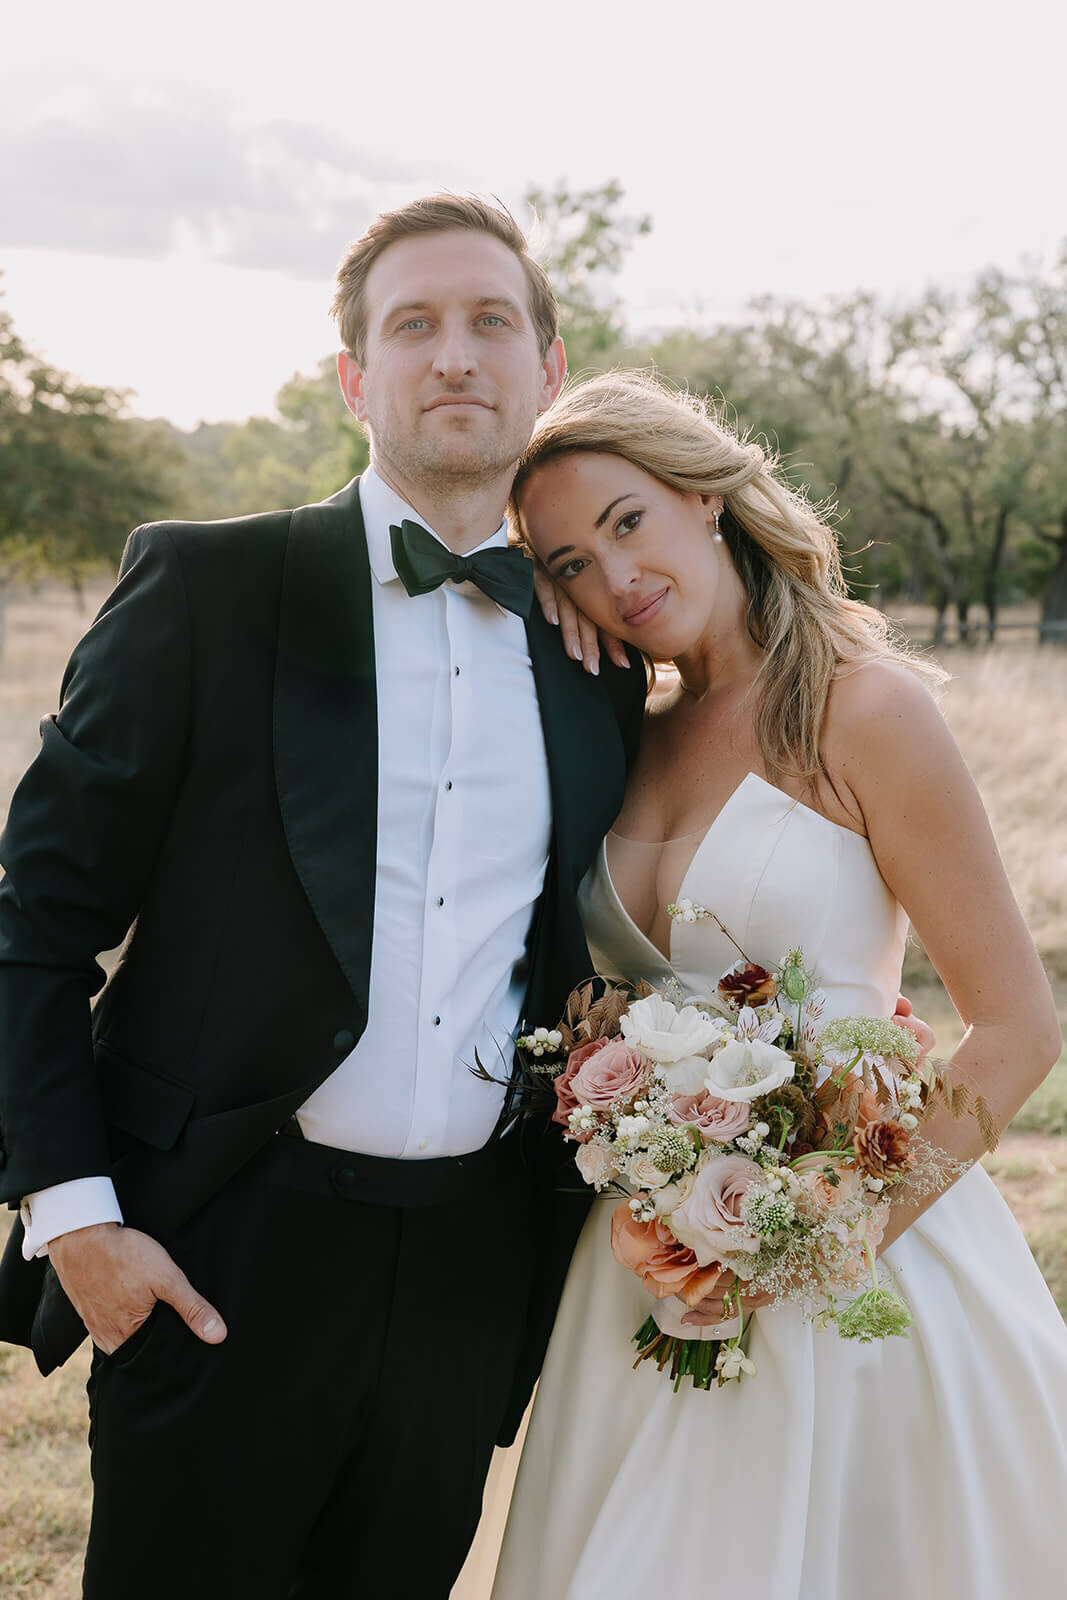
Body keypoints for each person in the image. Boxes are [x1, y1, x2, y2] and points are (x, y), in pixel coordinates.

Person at [0, 195, 650, 1600]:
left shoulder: (596, 657)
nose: (455, 356)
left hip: (473, 1270)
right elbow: (31, 920)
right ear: (354, 375)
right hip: (219, 1248)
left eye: (490, 321)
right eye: (410, 324)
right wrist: (77, 1218)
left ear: (546, 364)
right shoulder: (208, 588)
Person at [490, 370, 1067, 1599]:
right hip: (647, 1261)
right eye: (569, 563)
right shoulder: (620, 737)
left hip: (854, 1250)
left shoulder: (862, 709)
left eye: (625, 520)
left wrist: (825, 1240)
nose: (613, 574)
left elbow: (1016, 1027)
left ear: (703, 495)